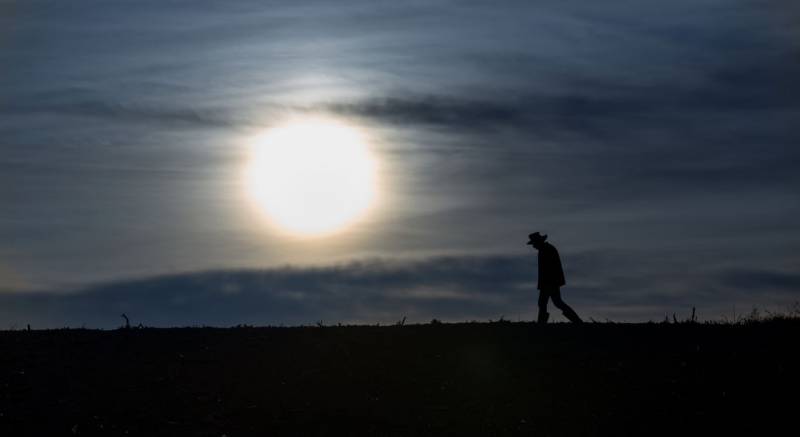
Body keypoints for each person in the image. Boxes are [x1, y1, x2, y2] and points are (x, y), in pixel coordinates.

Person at [527, 232, 582, 324]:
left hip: (549, 281)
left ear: (538, 242)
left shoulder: (546, 250)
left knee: (545, 302)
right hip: (550, 281)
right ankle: (577, 321)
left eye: (534, 244)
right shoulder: (546, 249)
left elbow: (549, 269)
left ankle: (541, 323)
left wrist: (546, 283)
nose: (533, 246)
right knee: (555, 302)